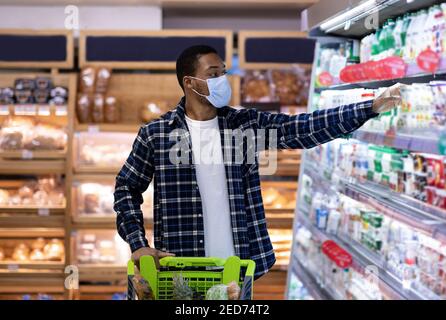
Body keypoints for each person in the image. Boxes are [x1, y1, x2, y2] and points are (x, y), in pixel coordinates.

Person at [114, 45, 402, 279]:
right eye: (213, 74)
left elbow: (301, 128)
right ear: (190, 82)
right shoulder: (156, 134)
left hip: (238, 267)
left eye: (223, 73)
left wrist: (369, 107)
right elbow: (126, 187)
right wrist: (138, 244)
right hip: (181, 267)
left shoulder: (245, 125)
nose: (221, 81)